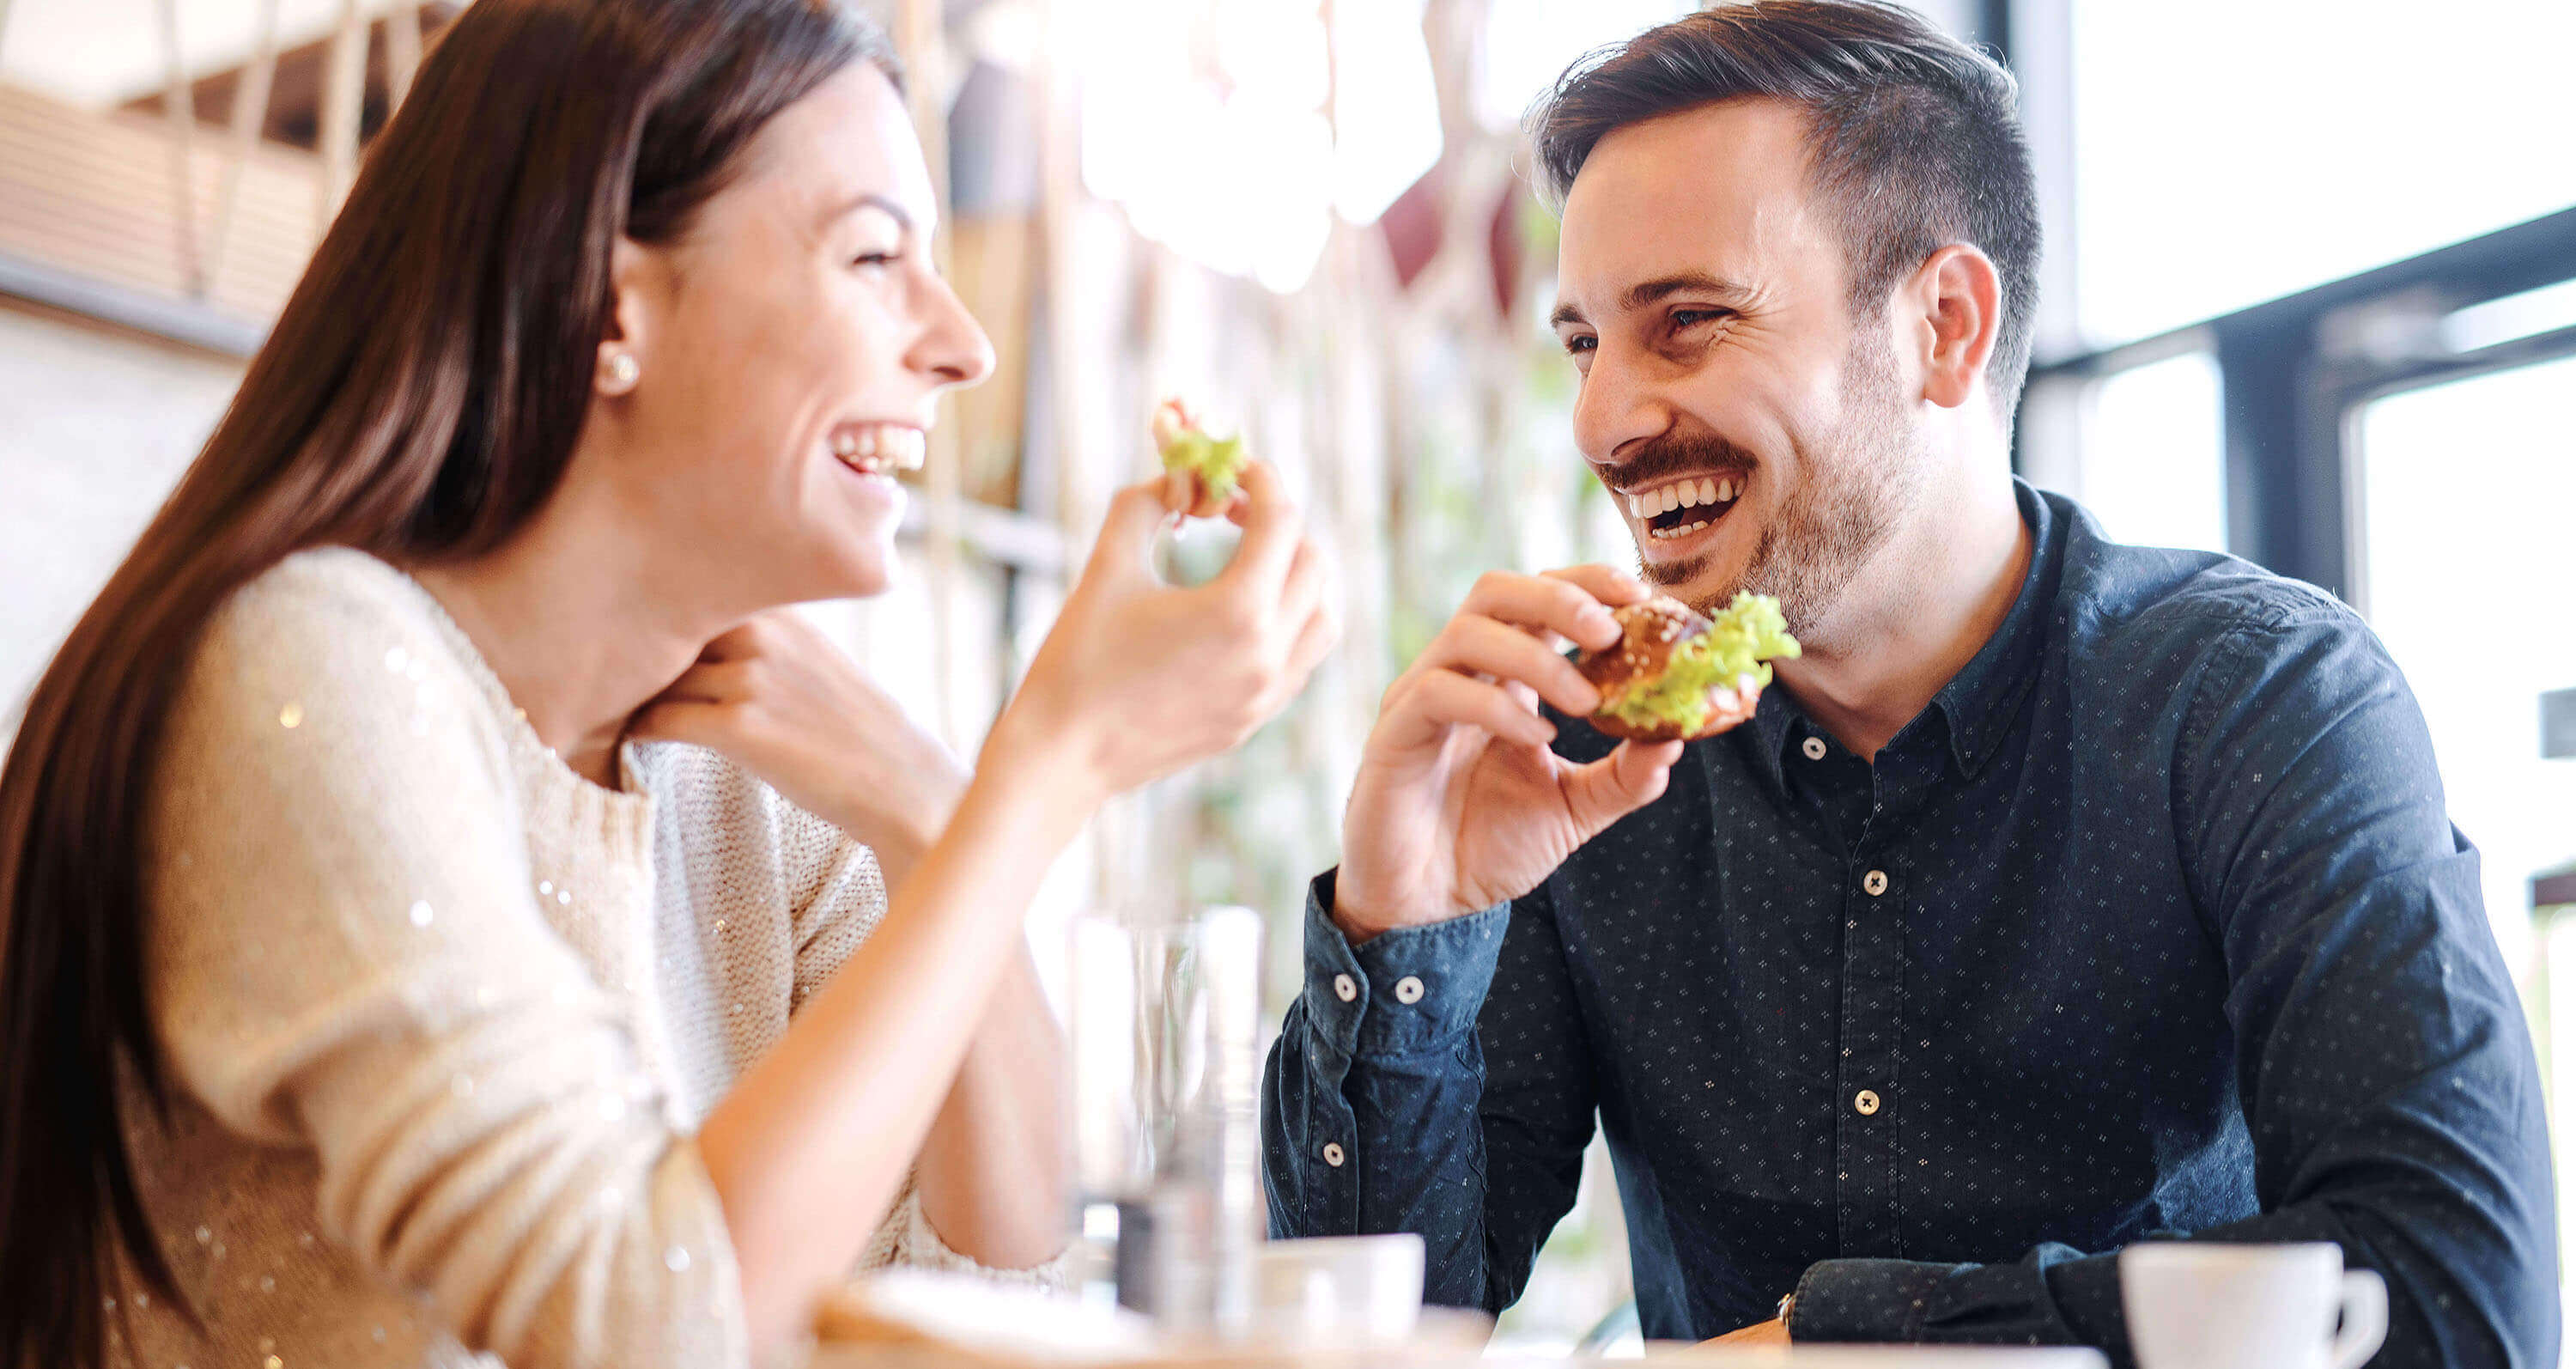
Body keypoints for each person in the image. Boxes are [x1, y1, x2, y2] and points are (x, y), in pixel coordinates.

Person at [0, 3, 1334, 1366]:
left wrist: (942, 812)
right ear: (610, 303)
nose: (962, 344)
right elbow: (635, 1322)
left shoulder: (748, 771)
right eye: (875, 254)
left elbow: (1004, 1276)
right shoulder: (303, 667)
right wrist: (1045, 773)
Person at [1260, 3, 2555, 1365]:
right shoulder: (1574, 750)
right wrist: (1404, 918)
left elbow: (2455, 1295)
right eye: (1584, 342)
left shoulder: (2256, 702)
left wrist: (1834, 1339)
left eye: (1688, 321)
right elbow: (1374, 1331)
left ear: (1944, 324)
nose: (1605, 421)